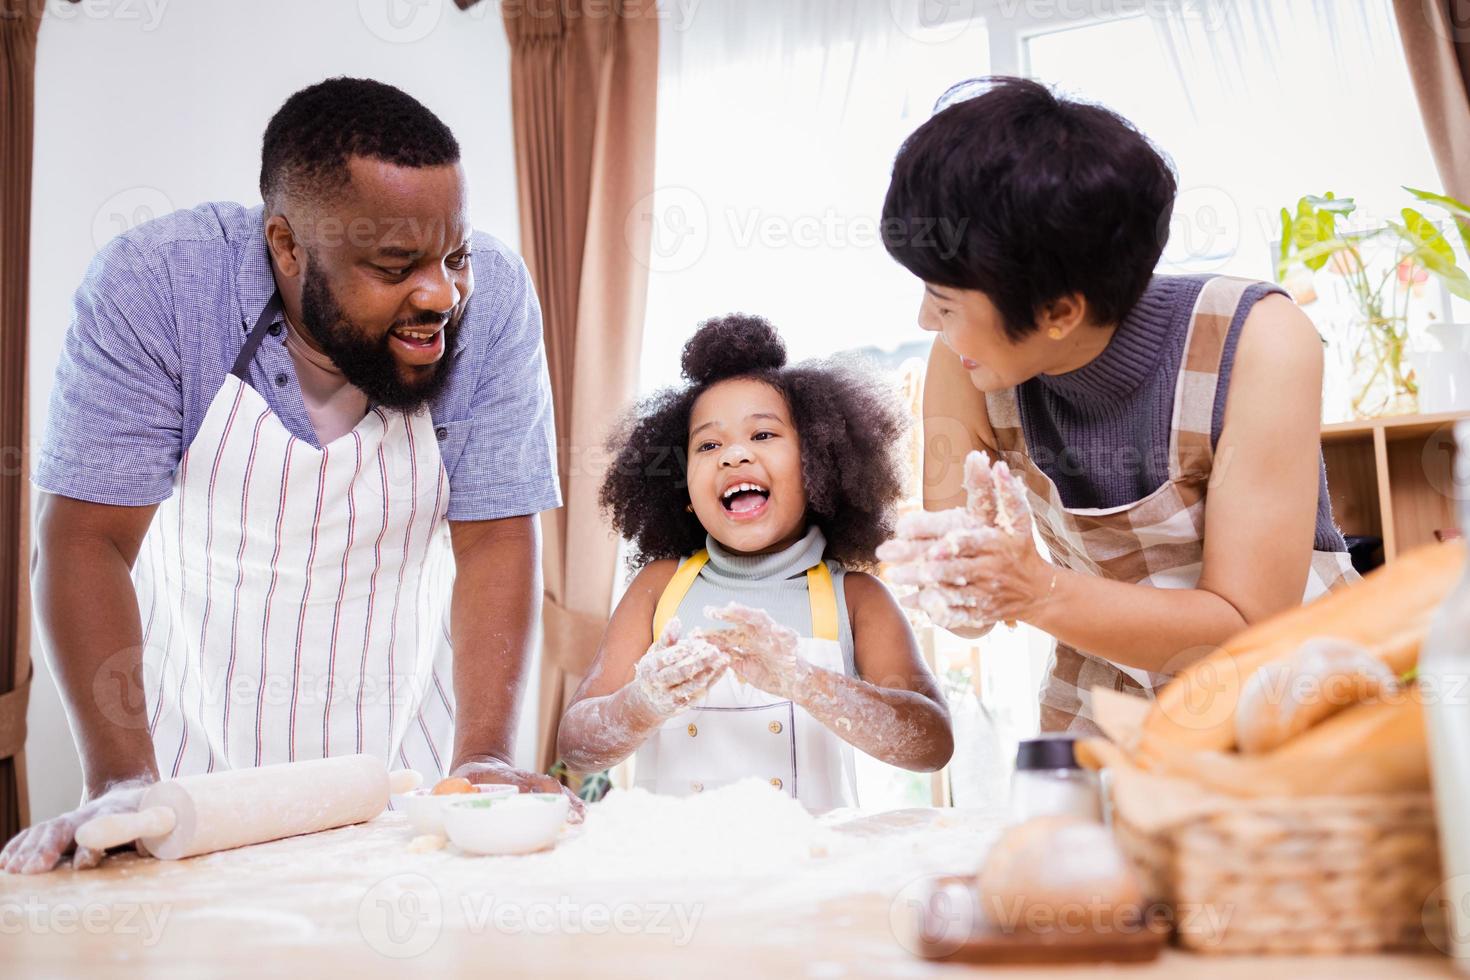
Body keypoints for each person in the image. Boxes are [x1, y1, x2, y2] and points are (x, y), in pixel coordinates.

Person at [3, 78, 565, 874]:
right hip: (186, 749)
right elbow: (85, 542)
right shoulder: (160, 288)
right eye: (396, 263)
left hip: (412, 757)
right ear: (287, 246)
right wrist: (125, 778)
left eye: (455, 255)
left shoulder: (494, 301)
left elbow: (498, 537)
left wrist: (486, 758)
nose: (441, 293)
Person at [876, 77, 1358, 734]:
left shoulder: (1257, 340)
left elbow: (1248, 628)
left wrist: (1031, 587)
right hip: (1108, 683)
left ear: (1058, 311)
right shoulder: (965, 359)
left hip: (1284, 685)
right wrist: (958, 582)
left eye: (946, 300)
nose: (926, 318)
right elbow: (969, 599)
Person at [556, 315, 954, 808]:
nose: (734, 455)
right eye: (708, 444)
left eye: (763, 435)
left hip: (811, 875)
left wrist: (806, 682)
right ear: (683, 487)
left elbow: (933, 743)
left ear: (818, 467)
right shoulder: (660, 587)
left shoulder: (855, 598)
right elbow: (576, 746)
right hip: (674, 873)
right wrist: (641, 702)